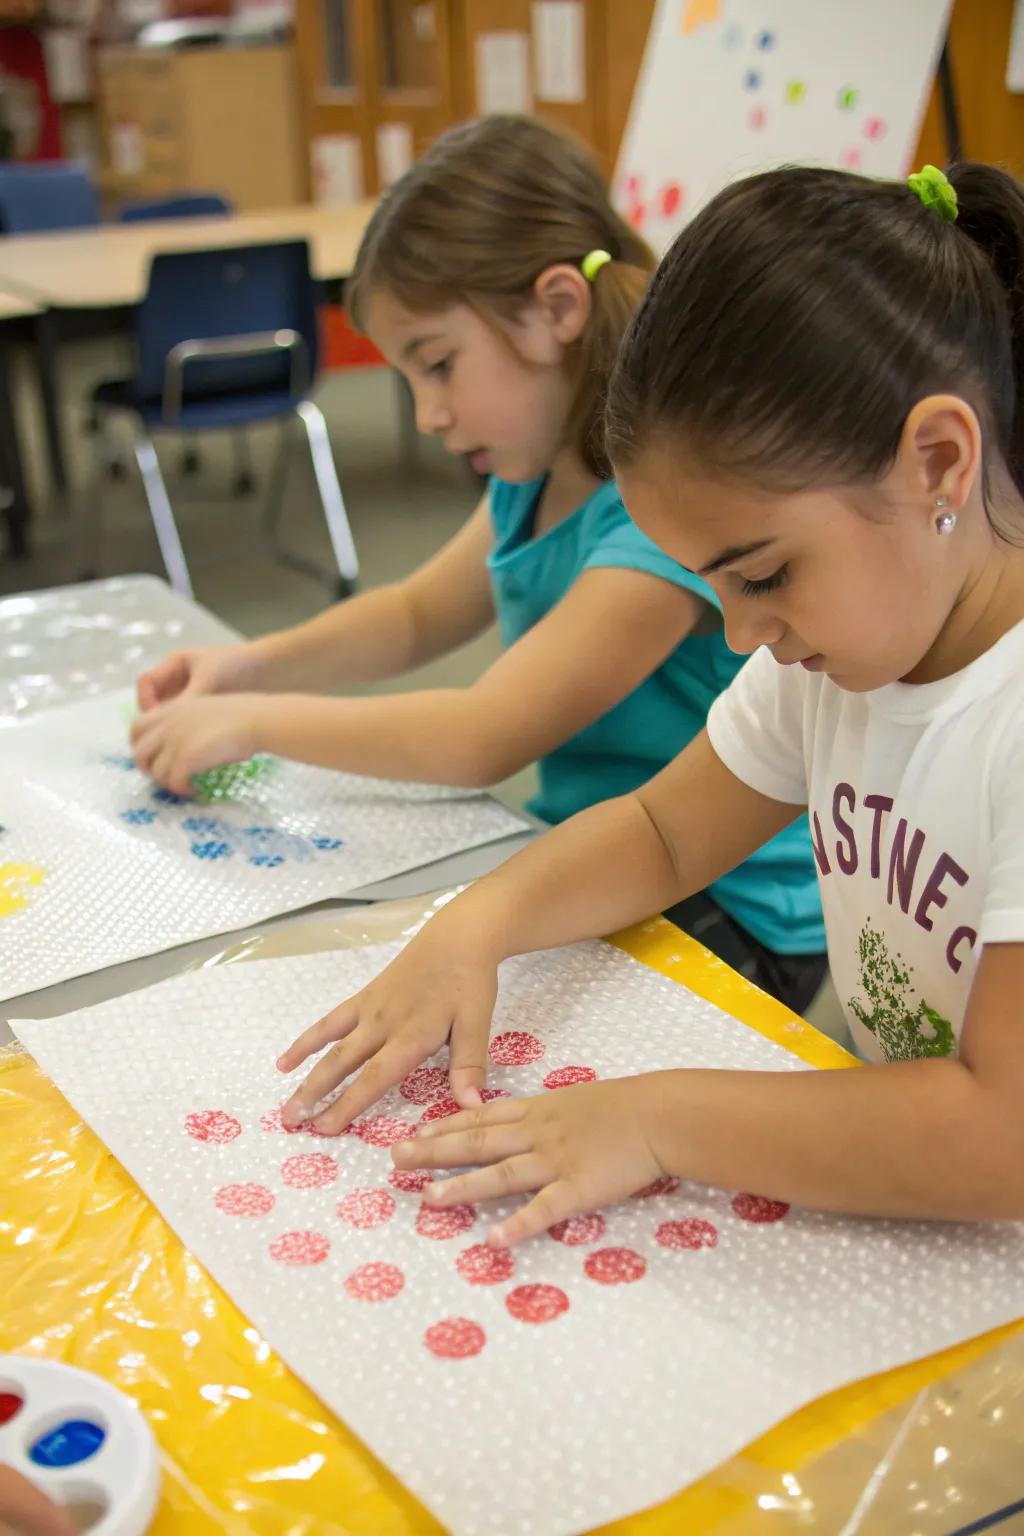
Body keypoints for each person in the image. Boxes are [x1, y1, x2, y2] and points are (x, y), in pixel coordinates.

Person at [276, 161, 1024, 1240]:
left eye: (760, 575)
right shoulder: (835, 657)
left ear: (938, 464)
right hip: (932, 1230)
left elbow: (998, 1136)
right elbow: (664, 830)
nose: (739, 634)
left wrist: (656, 1120)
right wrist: (475, 926)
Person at [131, 114, 824, 1009]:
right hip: (595, 849)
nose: (426, 414)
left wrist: (259, 720)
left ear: (556, 310)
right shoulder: (533, 468)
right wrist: (246, 664)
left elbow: (485, 735)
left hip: (728, 898)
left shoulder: (662, 512)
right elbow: (417, 614)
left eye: (439, 365)